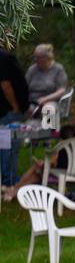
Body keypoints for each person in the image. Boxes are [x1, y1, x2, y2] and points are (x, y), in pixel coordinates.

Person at [0, 46, 29, 187]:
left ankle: (9, 177)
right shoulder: (2, 58)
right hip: (8, 112)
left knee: (8, 144)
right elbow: (5, 85)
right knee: (8, 144)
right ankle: (8, 179)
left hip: (9, 111)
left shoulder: (5, 57)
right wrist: (16, 106)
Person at [25, 44, 68, 115]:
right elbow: (24, 86)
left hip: (51, 101)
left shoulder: (58, 69)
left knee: (48, 109)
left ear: (46, 58)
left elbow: (61, 90)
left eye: (38, 57)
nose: (35, 60)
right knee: (25, 109)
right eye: (35, 57)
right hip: (33, 101)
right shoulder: (32, 69)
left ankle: (49, 126)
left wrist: (46, 99)